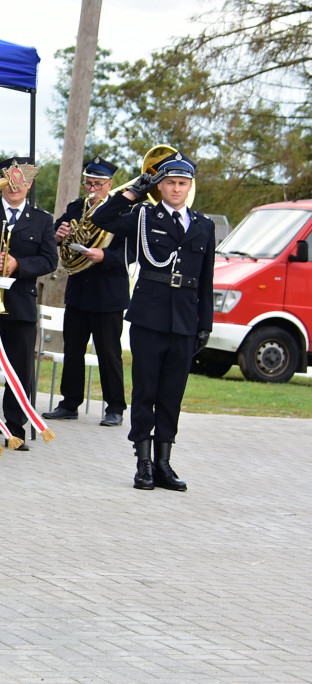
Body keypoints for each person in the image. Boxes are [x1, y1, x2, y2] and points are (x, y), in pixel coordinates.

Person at [90, 152, 215, 491]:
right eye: (171, 183)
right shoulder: (144, 215)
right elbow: (103, 219)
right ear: (160, 186)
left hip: (186, 319)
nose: (177, 189)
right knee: (146, 391)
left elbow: (206, 280)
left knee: (172, 394)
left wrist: (206, 324)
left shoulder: (203, 225)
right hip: (149, 316)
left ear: (190, 186)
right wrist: (132, 193)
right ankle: (143, 463)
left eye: (182, 183)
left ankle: (163, 463)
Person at [43, 156, 129, 427]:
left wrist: (105, 256)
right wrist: (60, 234)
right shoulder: (75, 207)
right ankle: (70, 402)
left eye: (97, 184)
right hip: (79, 290)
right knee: (73, 349)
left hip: (108, 293)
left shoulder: (121, 210)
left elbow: (130, 252)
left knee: (108, 352)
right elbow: (57, 235)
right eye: (88, 183)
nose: (91, 189)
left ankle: (115, 406)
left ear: (110, 185)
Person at [0, 157, 58, 450]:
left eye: (22, 180)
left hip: (20, 304)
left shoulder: (42, 219)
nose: (16, 186)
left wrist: (18, 265)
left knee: (19, 370)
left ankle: (15, 429)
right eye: (11, 179)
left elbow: (50, 260)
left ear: (30, 183)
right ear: (2, 180)